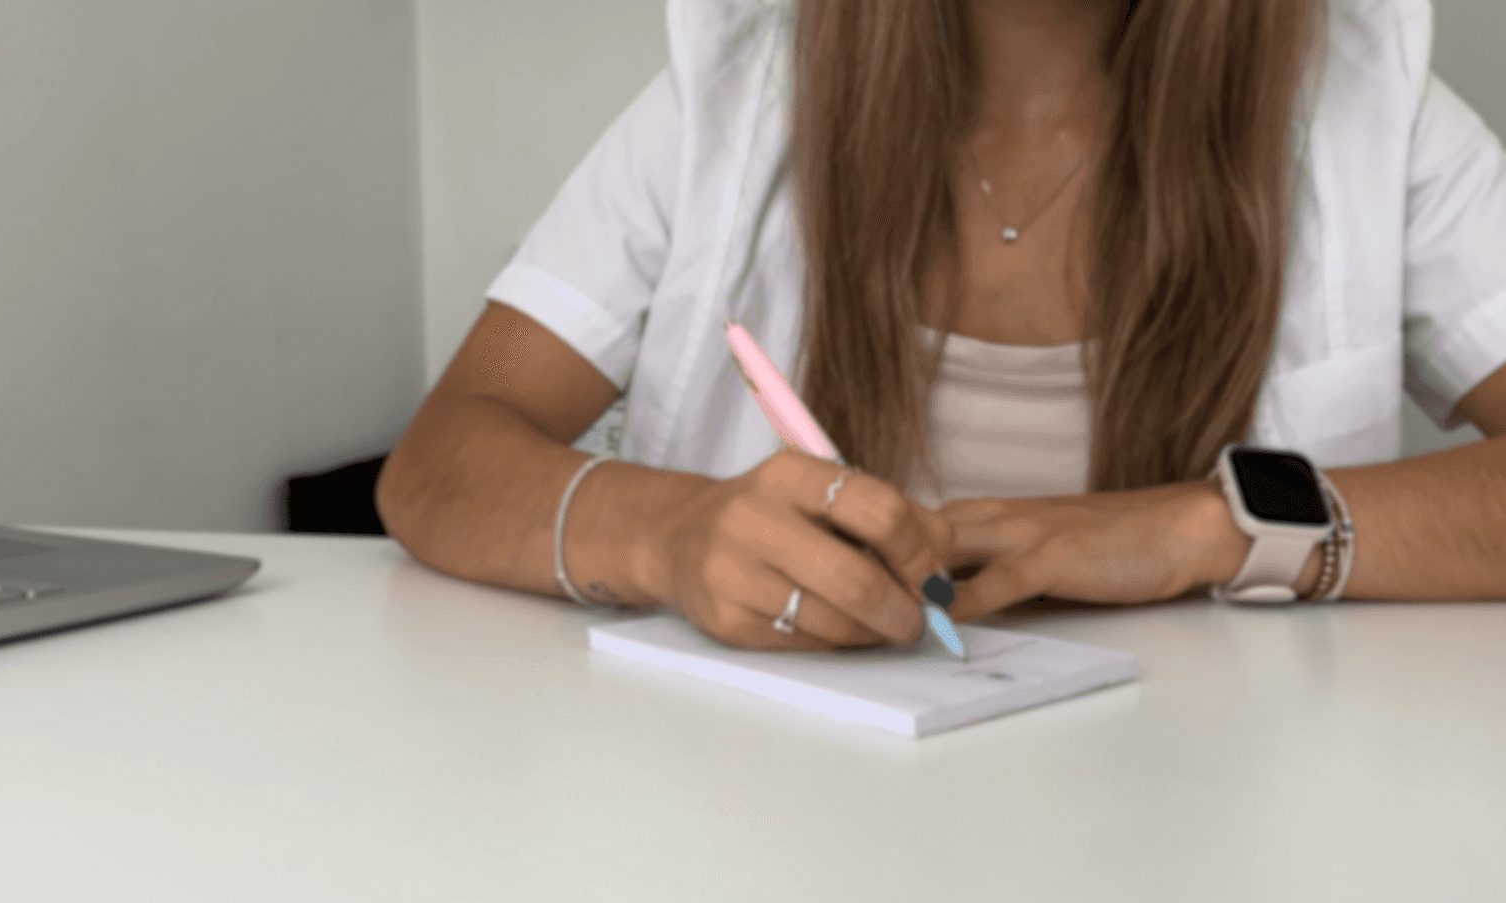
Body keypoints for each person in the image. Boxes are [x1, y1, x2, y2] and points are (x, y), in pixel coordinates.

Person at [376, 0, 1506, 651]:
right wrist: (667, 536)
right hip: (771, 804)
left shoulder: (1372, 103)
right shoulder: (734, 91)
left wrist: (1205, 529)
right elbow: (439, 463)